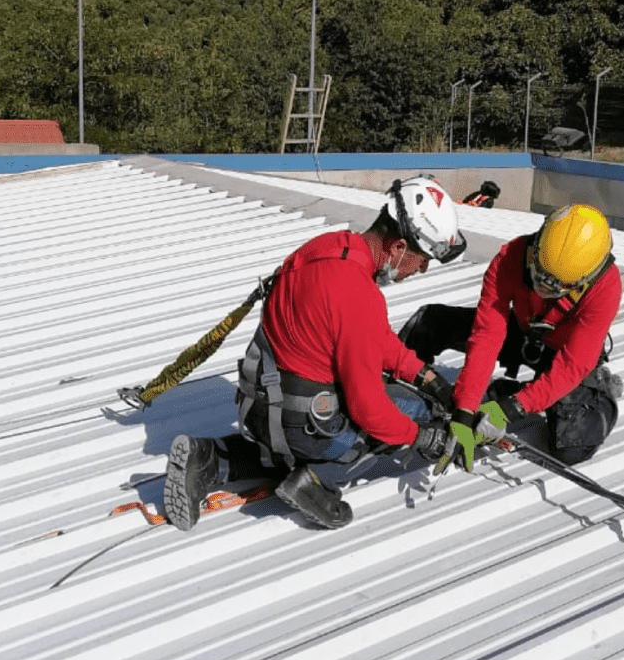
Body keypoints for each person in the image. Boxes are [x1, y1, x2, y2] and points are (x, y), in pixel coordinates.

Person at [164, 176, 466, 532]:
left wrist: (426, 377)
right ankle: (317, 481)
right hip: (303, 423)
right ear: (399, 248)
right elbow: (371, 412)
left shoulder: (328, 247)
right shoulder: (361, 297)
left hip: (258, 404)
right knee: (408, 412)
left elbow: (373, 338)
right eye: (424, 259)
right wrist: (422, 436)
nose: (423, 269)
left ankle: (210, 459)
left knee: (296, 435)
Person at [399, 202, 623, 473]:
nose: (544, 287)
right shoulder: (510, 258)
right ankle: (389, 391)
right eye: (541, 273)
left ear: (586, 278)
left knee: (573, 445)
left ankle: (594, 390)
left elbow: (573, 364)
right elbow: (487, 336)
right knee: (429, 325)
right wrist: (465, 409)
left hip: (562, 355)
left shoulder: (605, 287)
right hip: (520, 331)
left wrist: (512, 408)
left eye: (559, 285)